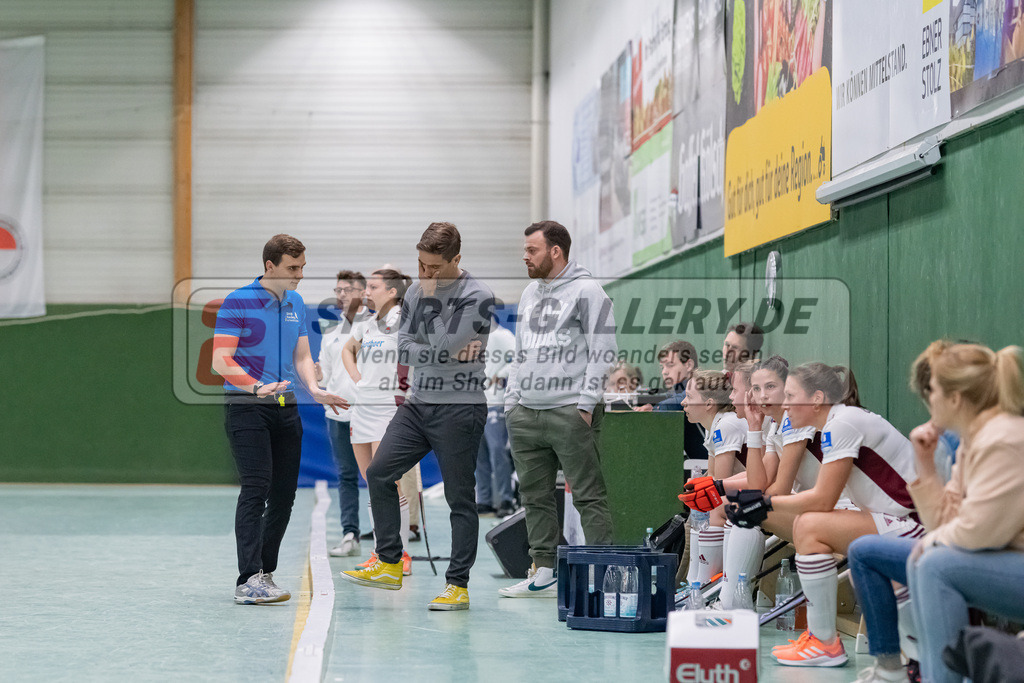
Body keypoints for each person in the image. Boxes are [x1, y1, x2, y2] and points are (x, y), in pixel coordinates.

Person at [847, 343, 1024, 683]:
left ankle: (938, 677)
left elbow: (977, 533)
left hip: (1006, 557)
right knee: (868, 550)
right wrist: (924, 466)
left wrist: (932, 544)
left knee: (935, 564)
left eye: (933, 391)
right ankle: (892, 669)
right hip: (996, 556)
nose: (928, 398)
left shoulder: (1002, 439)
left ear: (955, 398)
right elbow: (943, 524)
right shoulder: (975, 438)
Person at [341, 222, 493, 612]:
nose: (424, 275)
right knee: (378, 473)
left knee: (461, 498)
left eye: (433, 268)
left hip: (460, 408)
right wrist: (441, 349)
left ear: (456, 260)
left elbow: (440, 343)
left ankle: (457, 586)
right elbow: (404, 349)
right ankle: (390, 563)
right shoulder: (413, 293)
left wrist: (433, 319)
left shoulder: (477, 296)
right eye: (420, 266)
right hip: (417, 405)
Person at [725, 363, 920, 668]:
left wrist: (762, 506)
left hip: (914, 523)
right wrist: (760, 505)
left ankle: (825, 642)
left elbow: (824, 499)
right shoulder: (834, 423)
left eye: (790, 395)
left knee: (810, 525)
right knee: (811, 527)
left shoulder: (842, 423)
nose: (785, 403)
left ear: (816, 399)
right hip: (891, 518)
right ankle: (827, 641)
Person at [212, 234, 349, 604]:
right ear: (269, 266)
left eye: (302, 267)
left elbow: (302, 355)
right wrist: (256, 387)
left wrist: (315, 389)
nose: (300, 274)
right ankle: (247, 580)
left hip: (286, 406)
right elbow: (221, 359)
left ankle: (264, 573)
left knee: (285, 495)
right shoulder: (238, 301)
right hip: (247, 406)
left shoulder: (295, 302)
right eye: (293, 267)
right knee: (256, 488)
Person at [499, 220, 617, 598]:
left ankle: (602, 575)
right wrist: (512, 400)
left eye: (531, 250)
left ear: (555, 251)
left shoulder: (588, 291)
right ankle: (544, 570)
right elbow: (520, 351)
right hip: (525, 414)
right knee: (534, 497)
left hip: (569, 412)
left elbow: (603, 350)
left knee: (587, 496)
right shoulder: (530, 292)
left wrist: (585, 404)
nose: (525, 256)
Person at [342, 269, 414, 576]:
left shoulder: (404, 322)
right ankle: (381, 553)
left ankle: (402, 554)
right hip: (362, 408)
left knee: (388, 480)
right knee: (371, 482)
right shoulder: (367, 324)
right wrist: (358, 380)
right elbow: (348, 350)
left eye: (373, 287)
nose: (366, 291)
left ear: (393, 292)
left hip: (389, 408)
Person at [316, 270, 369, 557]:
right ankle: (351, 535)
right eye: (337, 290)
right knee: (346, 476)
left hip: (368, 414)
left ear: (362, 293)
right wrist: (316, 374)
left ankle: (388, 542)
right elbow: (324, 377)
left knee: (378, 476)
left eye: (347, 289)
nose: (341, 295)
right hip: (337, 414)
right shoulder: (330, 335)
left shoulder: (374, 328)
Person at [680, 370, 746, 586]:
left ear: (708, 404)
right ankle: (694, 582)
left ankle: (708, 585)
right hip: (739, 490)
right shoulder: (714, 426)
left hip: (751, 491)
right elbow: (713, 477)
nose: (683, 403)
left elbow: (720, 483)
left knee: (712, 507)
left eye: (689, 397)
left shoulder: (726, 424)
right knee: (699, 505)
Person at [475, 309, 517, 518]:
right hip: (476, 403)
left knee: (497, 451)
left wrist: (499, 375)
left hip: (495, 403)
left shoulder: (502, 336)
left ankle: (506, 500)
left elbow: (519, 358)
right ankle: (484, 500)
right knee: (479, 454)